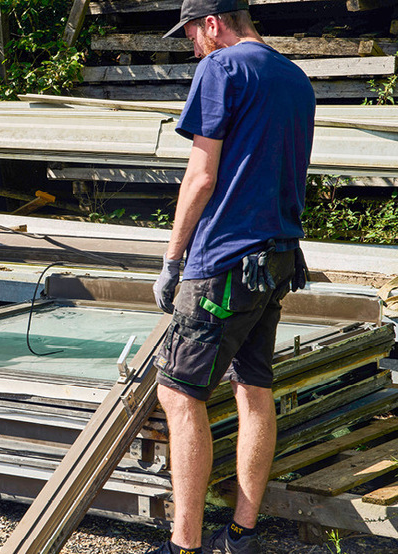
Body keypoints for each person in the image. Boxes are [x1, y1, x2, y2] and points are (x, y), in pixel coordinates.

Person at [149, 0, 315, 552]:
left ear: (214, 24)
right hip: (276, 258)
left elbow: (200, 176)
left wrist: (173, 261)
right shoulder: (294, 77)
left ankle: (185, 544)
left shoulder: (220, 68)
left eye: (193, 33)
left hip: (221, 261)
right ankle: (241, 533)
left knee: (178, 393)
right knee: (253, 387)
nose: (192, 45)